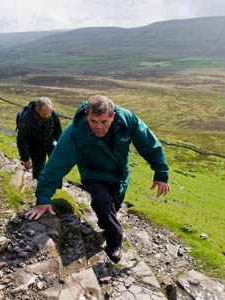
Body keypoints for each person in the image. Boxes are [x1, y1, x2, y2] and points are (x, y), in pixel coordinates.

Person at [25, 95, 170, 263]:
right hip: (93, 173)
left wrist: (161, 173)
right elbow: (56, 165)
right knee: (102, 201)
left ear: (112, 116)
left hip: (119, 174)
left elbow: (149, 144)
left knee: (112, 207)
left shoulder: (127, 120)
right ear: (87, 116)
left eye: (104, 121)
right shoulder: (75, 133)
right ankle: (115, 244)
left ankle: (107, 228)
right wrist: (43, 198)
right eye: (93, 121)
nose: (99, 127)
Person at [17, 97, 62, 180]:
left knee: (57, 163)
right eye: (45, 114)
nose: (48, 116)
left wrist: (62, 149)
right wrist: (25, 159)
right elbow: (21, 140)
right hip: (34, 144)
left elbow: (58, 133)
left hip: (49, 140)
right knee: (38, 169)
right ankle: (38, 187)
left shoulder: (53, 114)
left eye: (49, 113)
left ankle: (56, 186)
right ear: (37, 109)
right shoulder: (26, 120)